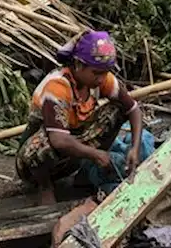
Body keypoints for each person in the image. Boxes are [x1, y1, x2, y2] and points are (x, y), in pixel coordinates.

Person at [17, 31, 143, 205]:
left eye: (105, 73)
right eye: (96, 73)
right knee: (41, 146)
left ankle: (89, 167)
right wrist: (95, 153)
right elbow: (59, 140)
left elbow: (134, 109)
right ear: (78, 65)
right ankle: (45, 186)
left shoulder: (102, 79)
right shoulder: (58, 86)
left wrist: (134, 148)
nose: (101, 79)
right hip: (36, 160)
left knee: (118, 109)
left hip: (75, 139)